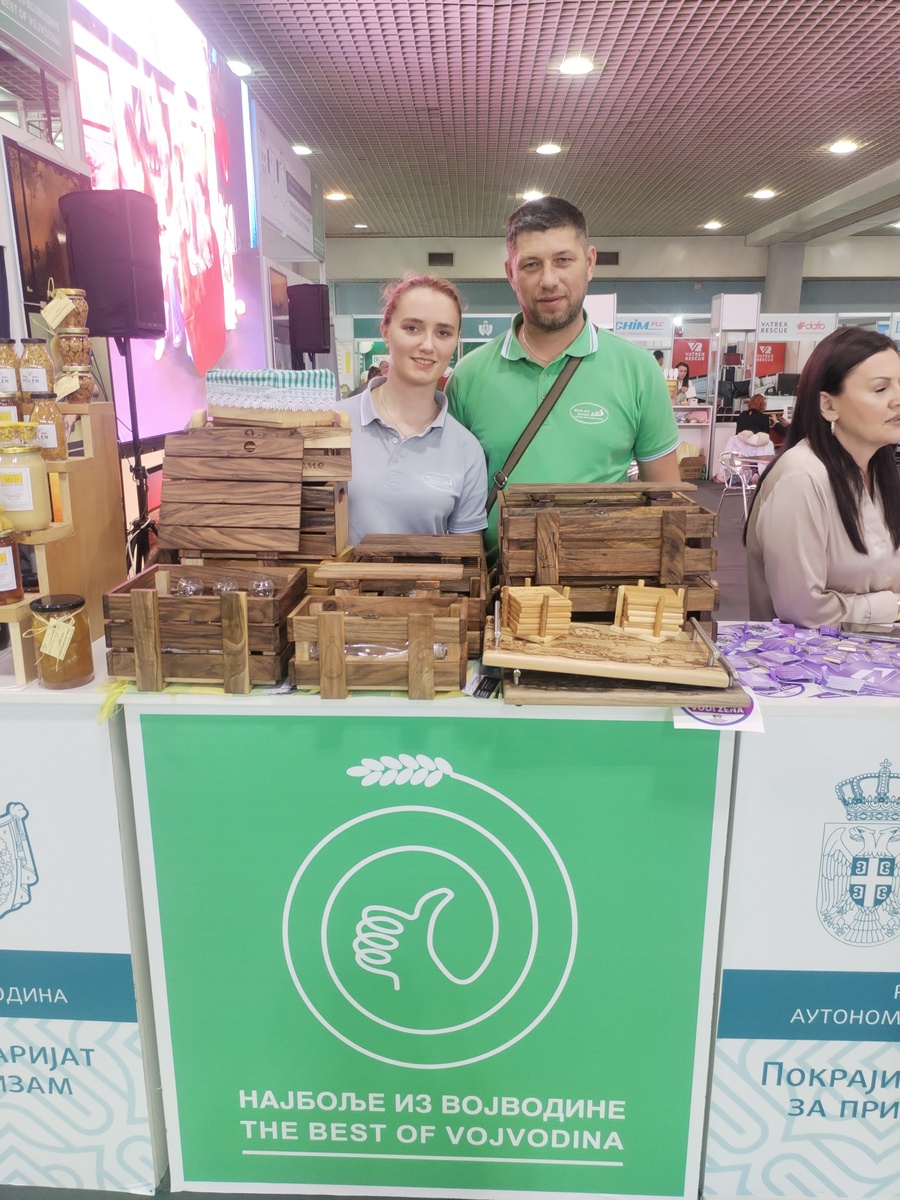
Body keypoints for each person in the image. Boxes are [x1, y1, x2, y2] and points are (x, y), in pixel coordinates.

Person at [447, 197, 680, 556]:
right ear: (510, 273)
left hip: (603, 579)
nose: (549, 280)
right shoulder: (469, 375)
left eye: (563, 260)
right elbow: (451, 494)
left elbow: (666, 501)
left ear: (589, 263)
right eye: (531, 265)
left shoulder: (638, 370)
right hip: (495, 577)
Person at [745, 326, 900, 628]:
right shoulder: (801, 477)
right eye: (881, 389)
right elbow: (802, 609)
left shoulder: (880, 473)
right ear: (828, 405)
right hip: (810, 657)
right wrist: (891, 606)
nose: (897, 399)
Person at [337, 274, 487, 545]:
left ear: (455, 341)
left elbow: (466, 557)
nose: (427, 345)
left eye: (443, 333)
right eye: (412, 328)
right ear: (386, 331)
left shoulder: (466, 450)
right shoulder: (333, 423)